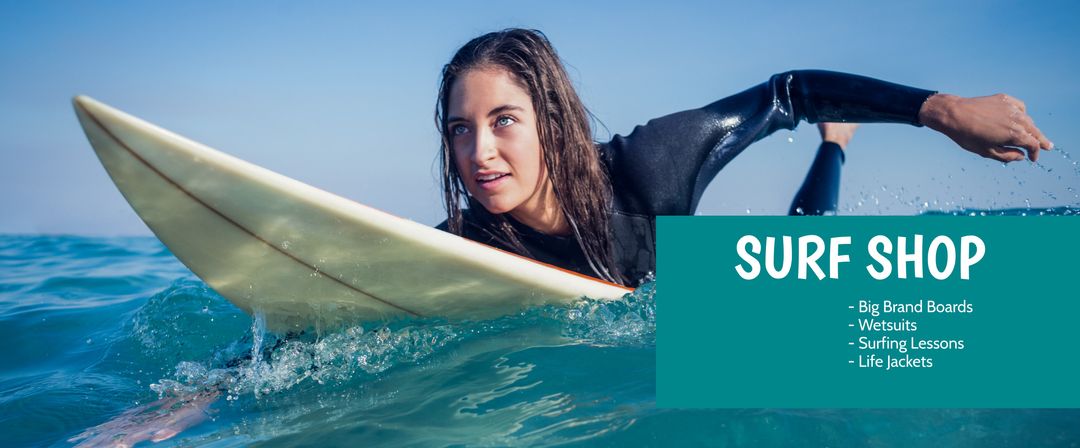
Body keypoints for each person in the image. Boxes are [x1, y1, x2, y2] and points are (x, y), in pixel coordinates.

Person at [434, 28, 1052, 287]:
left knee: (809, 244)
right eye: (461, 129)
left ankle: (835, 145)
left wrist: (942, 111)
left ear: (554, 122)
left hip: (683, 298)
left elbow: (790, 93)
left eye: (504, 121)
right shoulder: (466, 239)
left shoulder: (649, 164)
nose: (478, 152)